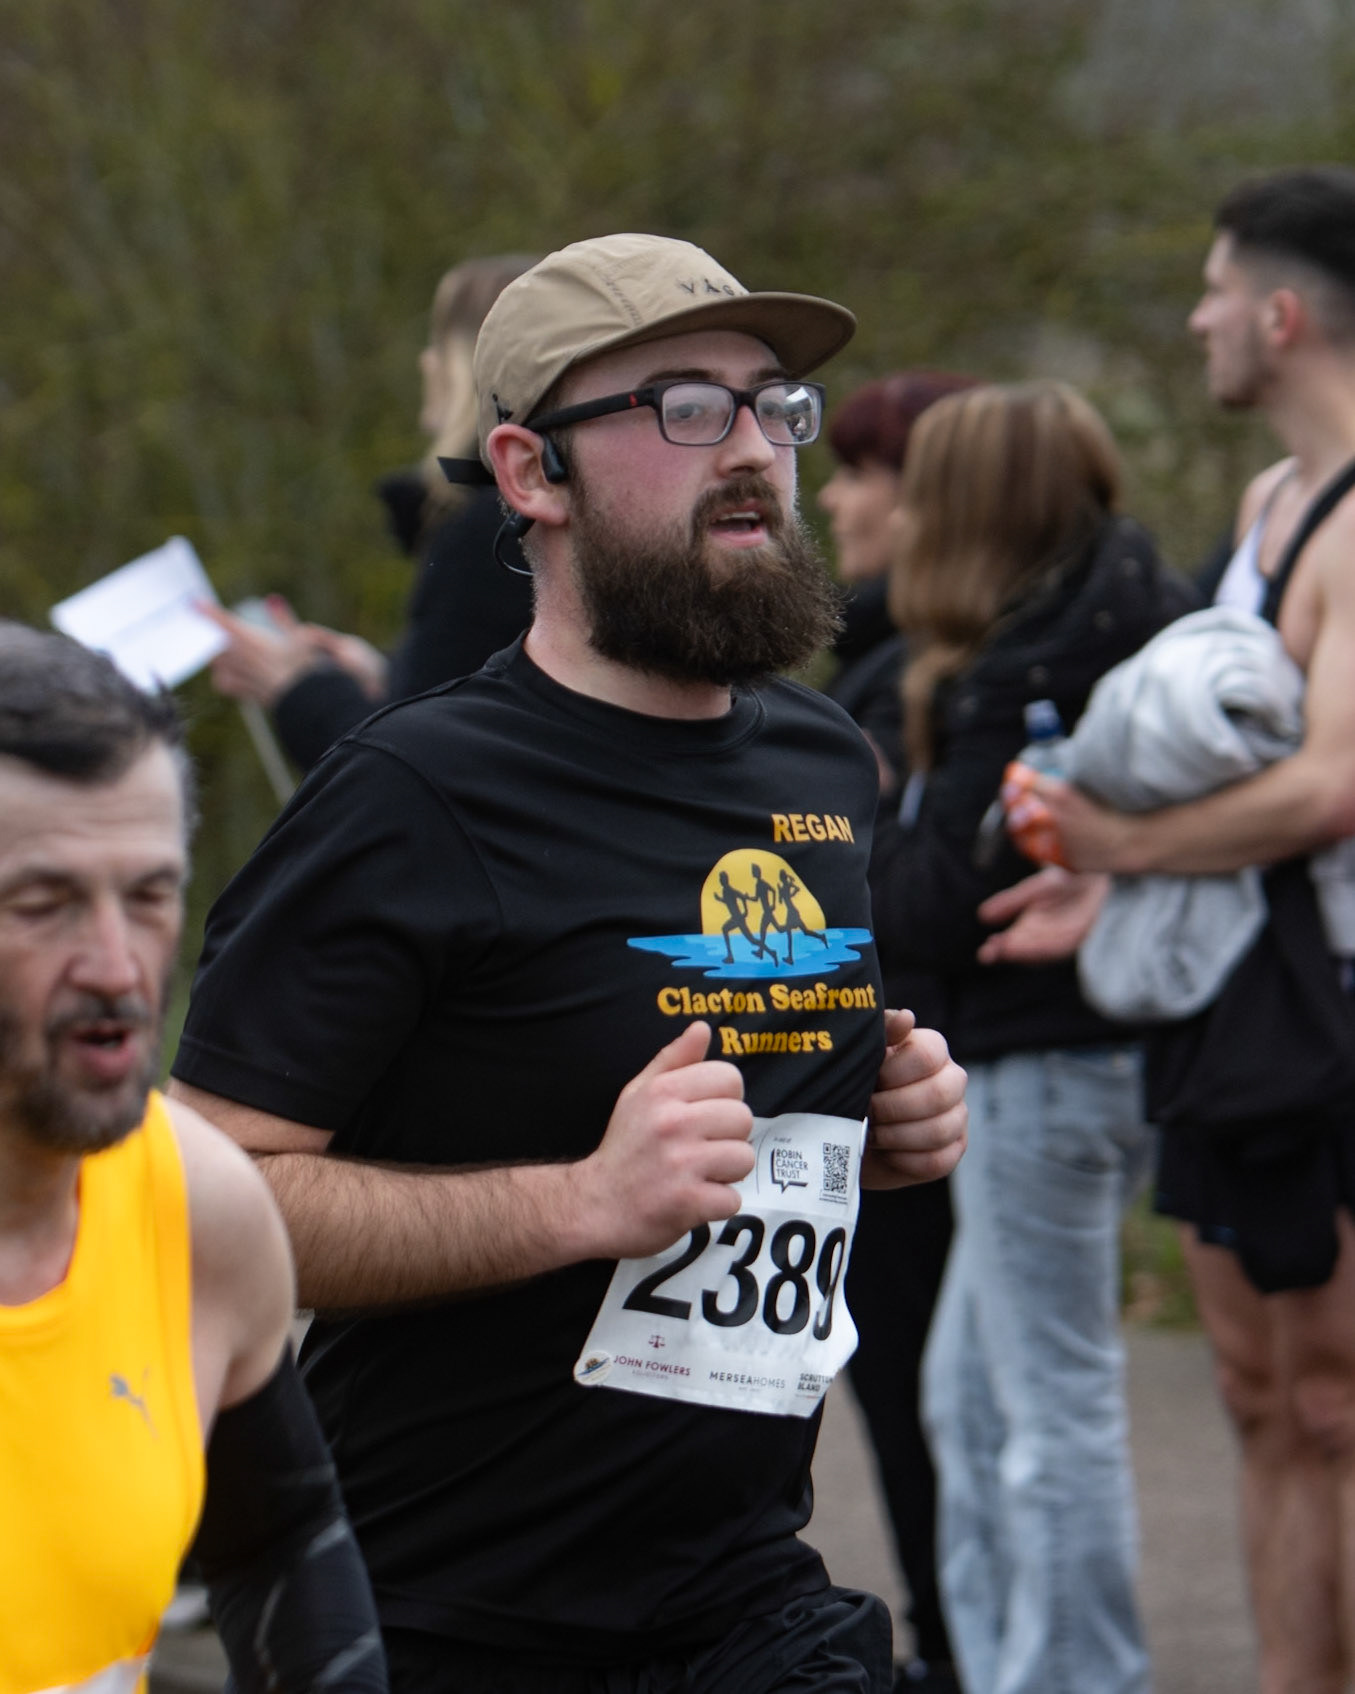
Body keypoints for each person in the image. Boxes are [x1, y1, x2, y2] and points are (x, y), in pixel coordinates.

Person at [167, 232, 968, 1693]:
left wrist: (878, 1119)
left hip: (743, 1595)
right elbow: (192, 1199)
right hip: (448, 1610)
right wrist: (577, 1203)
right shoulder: (414, 793)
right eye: (685, 407)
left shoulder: (816, 758)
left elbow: (738, 1133)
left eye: (772, 405)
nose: (754, 449)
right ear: (530, 471)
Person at [988, 166, 1355, 1694]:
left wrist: (1123, 844)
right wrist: (1104, 878)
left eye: (1212, 292)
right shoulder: (1267, 504)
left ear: (1278, 317)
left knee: (1335, 1402)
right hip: (1228, 1005)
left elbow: (1329, 783)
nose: (1194, 318)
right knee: (1260, 1395)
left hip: (1329, 1016)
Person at [864, 381, 1196, 1694]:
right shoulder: (1126, 619)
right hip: (1074, 1058)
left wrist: (862, 831)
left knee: (1048, 1405)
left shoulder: (1023, 670)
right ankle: (1006, 1658)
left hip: (1042, 1063)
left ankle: (1072, 1672)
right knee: (967, 1394)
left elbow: (939, 896)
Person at [0, 625, 386, 1692]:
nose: (117, 967)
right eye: (43, 903)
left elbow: (281, 1541)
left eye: (148, 894)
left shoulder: (195, 1201)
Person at [816, 371, 978, 1694]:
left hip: (934, 1089)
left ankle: (960, 1644)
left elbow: (913, 887)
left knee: (938, 1392)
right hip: (904, 1089)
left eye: (857, 473)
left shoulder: (934, 672)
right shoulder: (870, 664)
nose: (830, 500)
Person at [203, 255, 537, 771]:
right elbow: (476, 708)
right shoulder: (525, 517)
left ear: (462, 366)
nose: (425, 359)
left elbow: (412, 768)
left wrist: (295, 688)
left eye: (438, 340)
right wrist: (387, 675)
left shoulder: (489, 534)